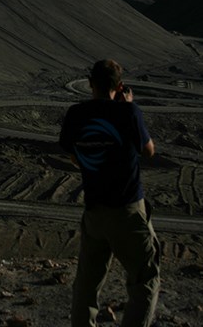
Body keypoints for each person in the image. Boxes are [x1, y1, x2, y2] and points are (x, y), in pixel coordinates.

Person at [59, 59, 160, 327]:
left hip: (94, 211)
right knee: (144, 279)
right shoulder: (128, 113)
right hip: (127, 210)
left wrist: (97, 158)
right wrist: (126, 107)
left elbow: (73, 155)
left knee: (87, 285)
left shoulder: (76, 114)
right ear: (120, 86)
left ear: (90, 83)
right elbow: (148, 150)